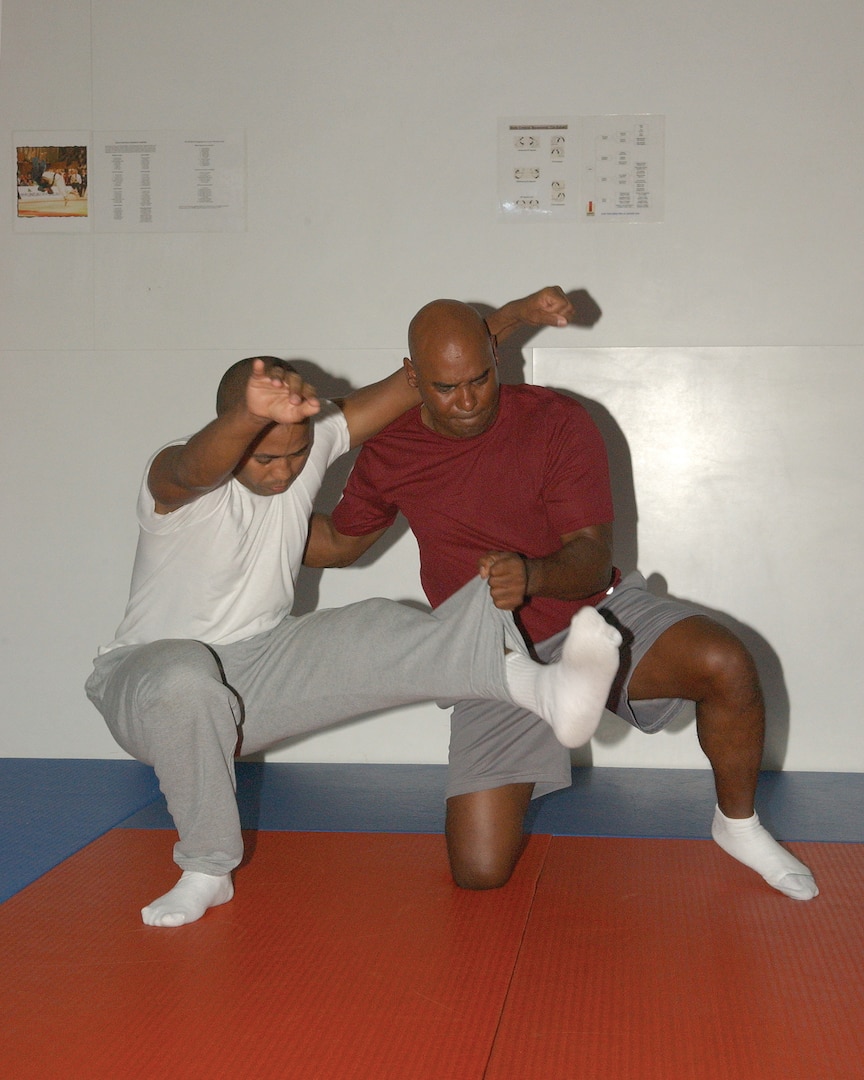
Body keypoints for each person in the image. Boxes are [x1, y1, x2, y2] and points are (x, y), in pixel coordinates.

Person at [85, 321, 624, 928]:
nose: (283, 474)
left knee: (377, 624)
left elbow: (417, 378)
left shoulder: (304, 449)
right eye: (264, 457)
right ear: (233, 434)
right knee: (187, 677)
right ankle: (208, 870)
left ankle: (541, 688)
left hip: (258, 671)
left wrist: (516, 313)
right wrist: (247, 414)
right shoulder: (177, 481)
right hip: (148, 679)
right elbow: (194, 466)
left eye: (295, 456)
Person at [306, 292, 819, 902]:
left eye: (480, 379)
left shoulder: (555, 420)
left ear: (496, 355)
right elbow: (339, 544)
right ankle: (548, 701)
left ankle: (738, 826)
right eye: (446, 388)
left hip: (593, 615)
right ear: (412, 377)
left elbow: (587, 557)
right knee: (479, 871)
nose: (468, 401)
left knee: (725, 662)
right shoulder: (391, 450)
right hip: (495, 656)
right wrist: (253, 524)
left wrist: (530, 575)